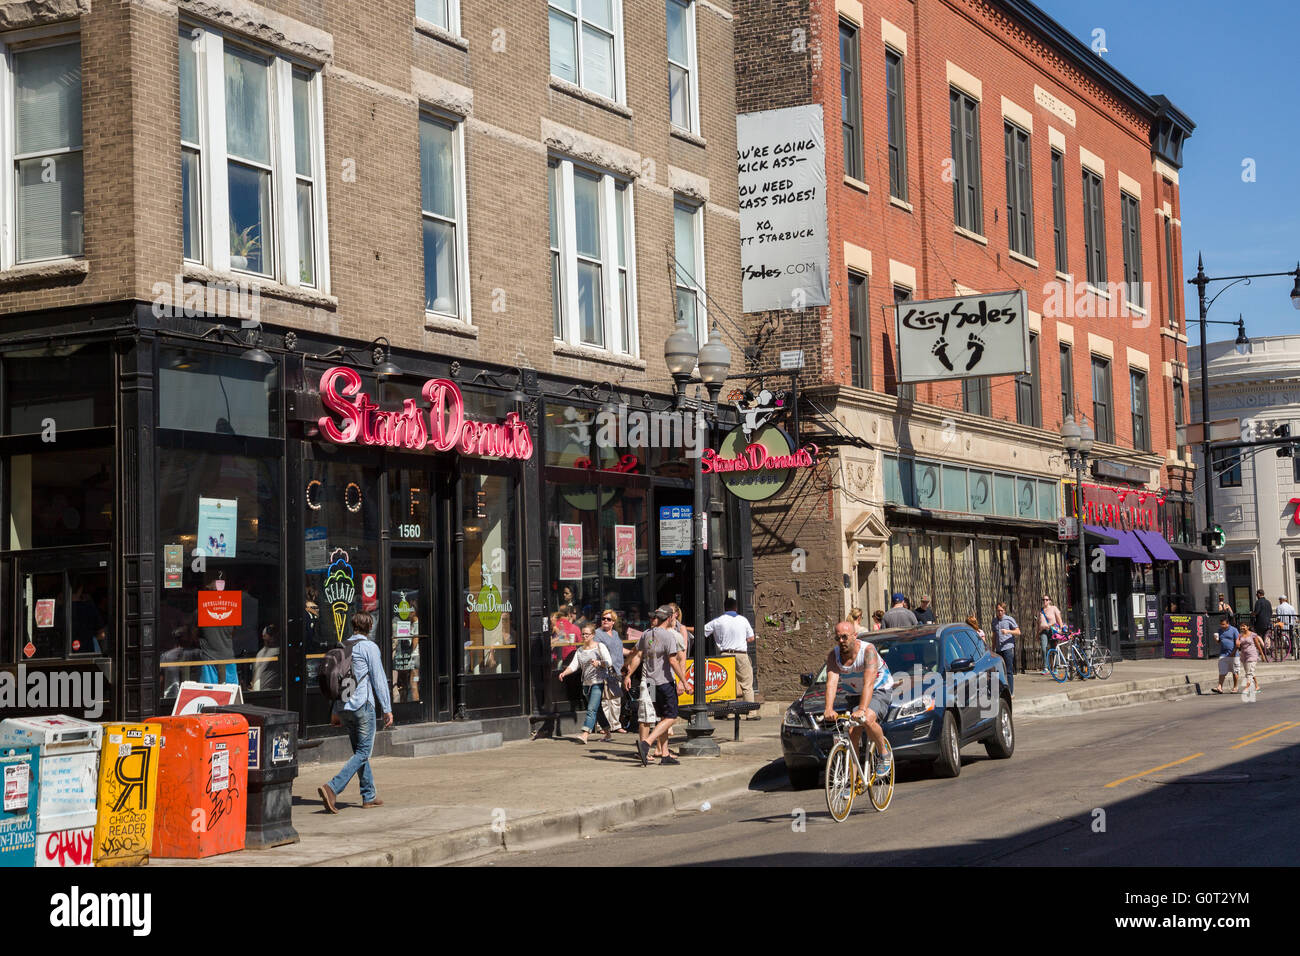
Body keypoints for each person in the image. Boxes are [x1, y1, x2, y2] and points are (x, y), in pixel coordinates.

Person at [319, 612, 393, 812]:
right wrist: (387, 708)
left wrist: (335, 710)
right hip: (362, 706)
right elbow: (379, 679)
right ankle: (332, 788)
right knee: (363, 752)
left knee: (360, 753)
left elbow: (339, 680)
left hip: (344, 708)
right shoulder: (369, 647)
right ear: (369, 628)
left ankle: (369, 795)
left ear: (353, 626)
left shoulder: (343, 647)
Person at [820, 621, 893, 778]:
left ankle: (884, 754)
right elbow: (831, 683)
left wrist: (862, 709)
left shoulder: (868, 651)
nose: (841, 641)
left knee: (866, 719)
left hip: (878, 689)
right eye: (837, 638)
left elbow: (869, 684)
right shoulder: (834, 656)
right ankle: (851, 781)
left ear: (855, 636)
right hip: (854, 693)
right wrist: (828, 708)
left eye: (845, 637)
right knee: (852, 733)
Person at [622, 606, 689, 766]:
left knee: (662, 717)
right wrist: (685, 682)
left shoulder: (646, 634)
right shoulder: (669, 636)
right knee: (671, 716)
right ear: (669, 618)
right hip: (664, 682)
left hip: (650, 682)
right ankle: (647, 743)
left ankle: (664, 754)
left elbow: (638, 655)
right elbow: (674, 661)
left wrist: (629, 673)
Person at [558, 624, 614, 743]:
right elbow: (574, 665)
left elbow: (609, 662)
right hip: (586, 684)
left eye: (587, 634)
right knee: (597, 709)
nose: (584, 636)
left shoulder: (600, 646)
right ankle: (608, 733)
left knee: (591, 709)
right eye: (583, 634)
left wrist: (599, 663)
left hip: (598, 682)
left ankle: (585, 734)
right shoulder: (580, 650)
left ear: (593, 635)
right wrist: (564, 673)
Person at [704, 598, 758, 718]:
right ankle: (751, 713)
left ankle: (731, 713)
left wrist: (684, 628)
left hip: (725, 655)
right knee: (747, 685)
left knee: (728, 684)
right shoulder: (743, 620)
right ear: (735, 607)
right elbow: (751, 638)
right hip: (741, 654)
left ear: (724, 608)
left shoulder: (718, 621)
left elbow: (702, 631)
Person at [593, 610, 627, 732]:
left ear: (613, 622)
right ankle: (604, 726)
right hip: (604, 671)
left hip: (616, 670)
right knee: (605, 700)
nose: (605, 621)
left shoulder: (616, 634)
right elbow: (596, 652)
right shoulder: (597, 634)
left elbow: (620, 650)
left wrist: (633, 652)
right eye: (603, 618)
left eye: (608, 619)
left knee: (616, 699)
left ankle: (616, 725)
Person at [991, 602, 1021, 695]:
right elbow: (994, 635)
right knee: (998, 671)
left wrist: (1008, 631)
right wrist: (993, 648)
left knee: (1008, 671)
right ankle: (1000, 692)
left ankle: (1011, 692)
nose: (1000, 612)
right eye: (998, 611)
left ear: (1004, 611)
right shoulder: (994, 621)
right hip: (999, 649)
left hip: (1007, 648)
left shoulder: (1009, 619)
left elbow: (1018, 632)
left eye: (1001, 611)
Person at [1212, 616, 1241, 695]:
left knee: (1235, 671)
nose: (1222, 626)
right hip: (1223, 653)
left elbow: (1238, 643)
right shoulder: (1220, 631)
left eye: (1224, 624)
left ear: (1228, 623)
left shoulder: (1234, 630)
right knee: (1222, 670)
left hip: (1233, 654)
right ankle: (1219, 687)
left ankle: (1235, 687)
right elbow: (1219, 642)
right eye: (1221, 624)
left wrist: (1234, 652)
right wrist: (1216, 640)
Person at [1236, 623, 1265, 699]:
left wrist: (1262, 654)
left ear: (1247, 627)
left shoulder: (1253, 635)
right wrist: (1238, 644)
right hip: (1244, 656)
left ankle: (1247, 688)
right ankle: (1257, 686)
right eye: (1241, 626)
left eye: (1244, 626)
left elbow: (1257, 645)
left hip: (1252, 655)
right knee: (1249, 672)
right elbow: (1238, 644)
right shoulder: (1240, 635)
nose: (1242, 627)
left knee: (1249, 673)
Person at [1038, 595, 1065, 675]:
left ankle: (1055, 667)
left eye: (1046, 600)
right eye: (1043, 600)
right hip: (1043, 631)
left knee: (1053, 648)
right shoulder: (1040, 611)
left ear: (1049, 601)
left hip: (1052, 631)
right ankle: (1045, 668)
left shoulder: (1054, 608)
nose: (1045, 601)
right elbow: (1038, 623)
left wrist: (1060, 628)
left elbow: (1059, 618)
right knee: (1043, 648)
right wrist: (1037, 633)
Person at [251, 624, 281, 691]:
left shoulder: (279, 652)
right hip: (263, 689)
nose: (274, 636)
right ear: (264, 636)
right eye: (270, 634)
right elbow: (257, 672)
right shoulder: (262, 653)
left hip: (273, 689)